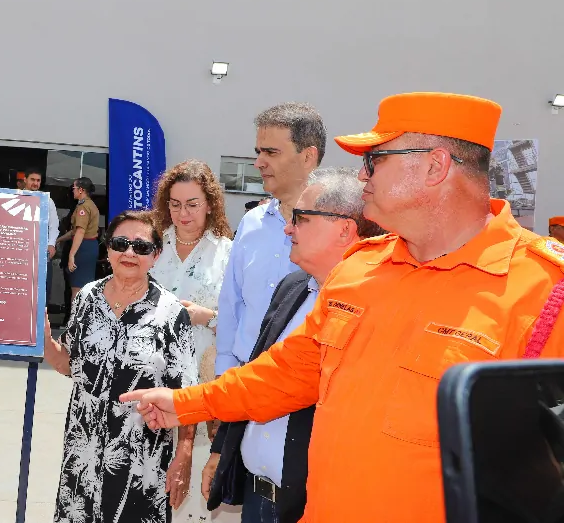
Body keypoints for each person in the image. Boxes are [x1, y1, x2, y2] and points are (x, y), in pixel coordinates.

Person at [122, 92, 564, 523]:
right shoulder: (360, 269)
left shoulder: (545, 293)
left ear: (435, 165)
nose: (361, 176)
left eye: (375, 160)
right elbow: (286, 373)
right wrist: (188, 402)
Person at [206, 168, 385, 523]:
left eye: (300, 219)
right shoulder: (292, 287)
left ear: (344, 228)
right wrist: (220, 450)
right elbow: (257, 375)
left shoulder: (376, 306)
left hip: (311, 506)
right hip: (257, 498)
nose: (288, 229)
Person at [44, 210, 197, 523]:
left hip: (141, 467)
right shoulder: (86, 298)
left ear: (155, 256)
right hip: (82, 458)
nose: (129, 252)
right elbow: (70, 366)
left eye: (141, 247)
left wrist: (184, 453)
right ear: (108, 248)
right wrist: (44, 339)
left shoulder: (170, 314)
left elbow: (188, 396)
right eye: (121, 243)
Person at [148, 160, 234, 521]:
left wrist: (208, 317)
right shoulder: (150, 247)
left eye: (192, 204)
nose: (183, 213)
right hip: (147, 385)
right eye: (175, 204)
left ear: (210, 204)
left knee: (193, 495)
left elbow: (247, 322)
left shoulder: (229, 253)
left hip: (203, 390)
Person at [215, 103, 325, 376]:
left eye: (271, 153)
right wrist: (223, 369)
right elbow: (231, 304)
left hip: (303, 390)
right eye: (259, 152)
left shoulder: (339, 229)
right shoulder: (252, 223)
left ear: (308, 157)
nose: (258, 163)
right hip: (243, 377)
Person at [57, 177, 100, 302]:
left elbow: (80, 232)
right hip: (87, 246)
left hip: (83, 247)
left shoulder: (83, 207)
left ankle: (76, 320)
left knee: (77, 289)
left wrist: (71, 255)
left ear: (81, 190)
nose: (73, 191)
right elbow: (74, 231)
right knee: (81, 288)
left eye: (74, 188)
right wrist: (59, 239)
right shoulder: (89, 204)